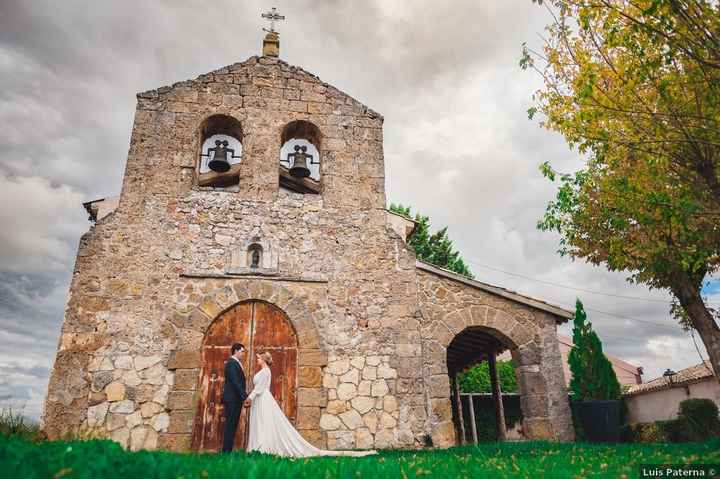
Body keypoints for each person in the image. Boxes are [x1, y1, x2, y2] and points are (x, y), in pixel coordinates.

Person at [246, 351, 377, 458]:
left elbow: (259, 388)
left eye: (258, 358)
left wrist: (250, 398)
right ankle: (259, 446)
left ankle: (263, 446)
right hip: (261, 399)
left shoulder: (265, 371)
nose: (257, 360)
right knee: (261, 422)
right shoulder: (264, 371)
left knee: (264, 422)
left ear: (263, 359)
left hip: (263, 399)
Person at [221, 342, 248, 453]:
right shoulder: (232, 363)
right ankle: (226, 451)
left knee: (232, 425)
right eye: (242, 351)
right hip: (232, 399)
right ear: (236, 351)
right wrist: (244, 397)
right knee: (230, 425)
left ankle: (227, 450)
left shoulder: (236, 363)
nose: (243, 354)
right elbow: (236, 382)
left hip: (235, 400)